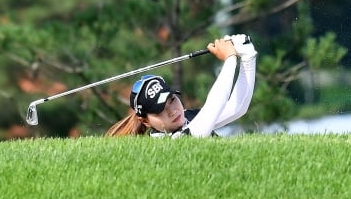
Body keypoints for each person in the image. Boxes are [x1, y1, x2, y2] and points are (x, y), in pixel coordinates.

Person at [106, 34, 257, 138]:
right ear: (145, 121)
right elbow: (214, 106)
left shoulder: (187, 118)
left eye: (171, 100)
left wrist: (247, 58)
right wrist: (230, 59)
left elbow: (237, 108)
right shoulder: (168, 141)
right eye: (159, 111)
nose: (172, 111)